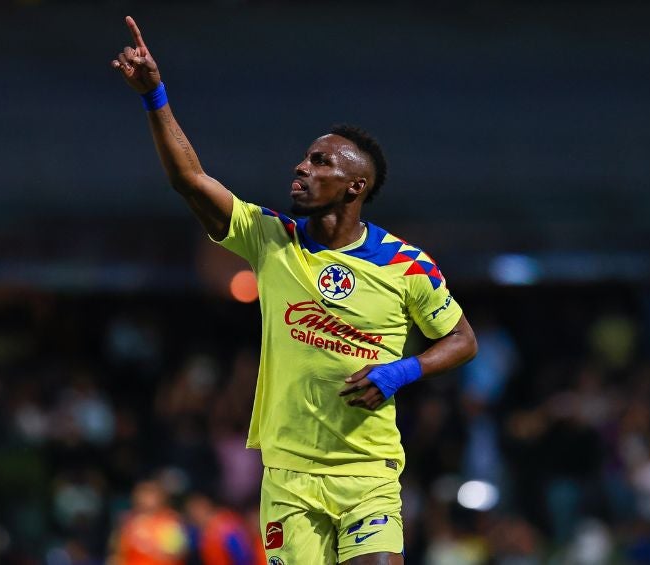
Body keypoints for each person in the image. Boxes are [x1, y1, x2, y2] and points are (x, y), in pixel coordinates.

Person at [112, 17, 478, 565]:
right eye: (306, 157)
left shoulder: (406, 263)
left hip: (367, 472)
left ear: (356, 186)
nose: (300, 167)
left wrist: (404, 370)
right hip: (289, 476)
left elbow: (462, 340)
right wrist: (154, 97)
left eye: (320, 162)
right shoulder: (271, 238)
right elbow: (190, 179)